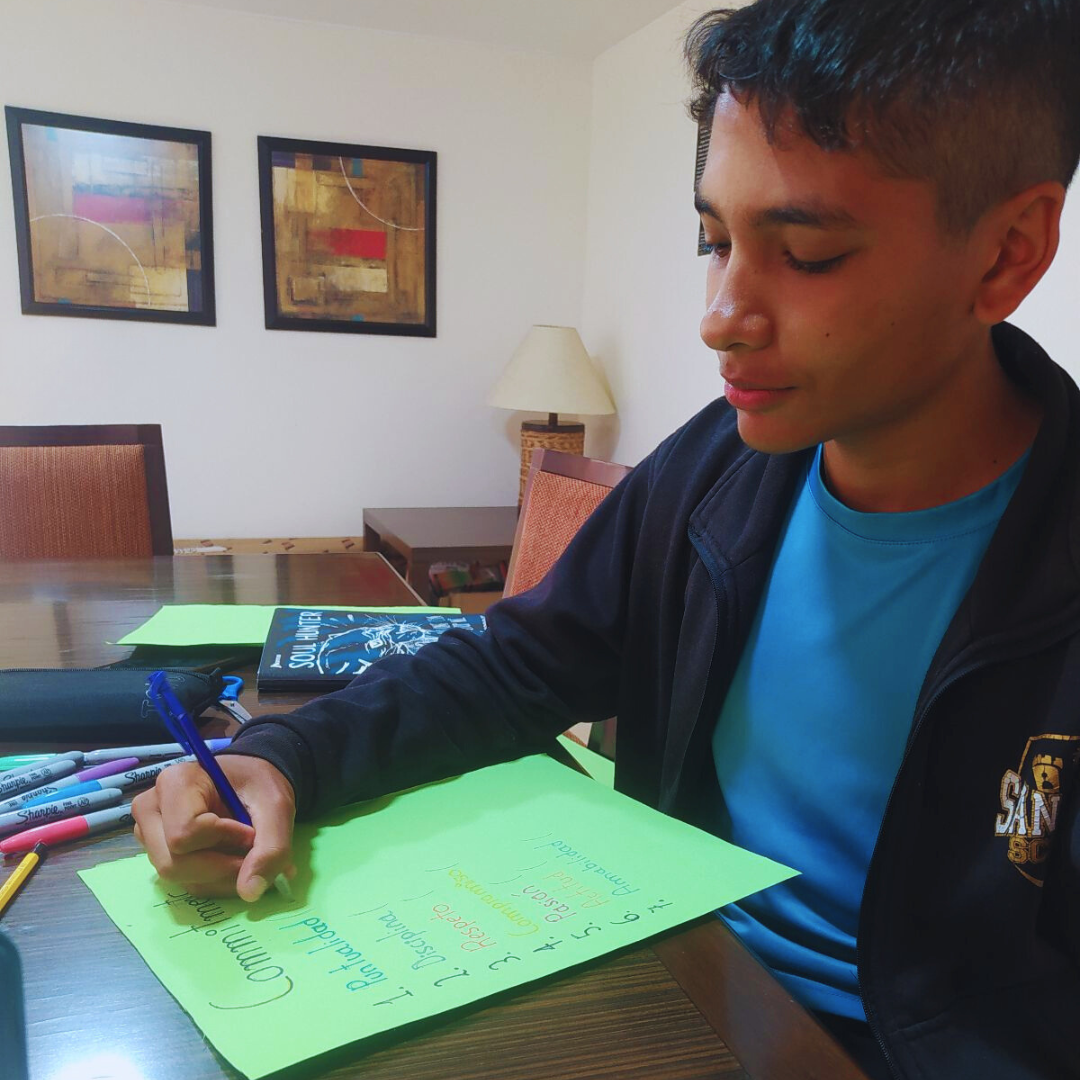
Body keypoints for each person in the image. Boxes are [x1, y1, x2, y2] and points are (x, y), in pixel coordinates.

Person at [132, 2, 1080, 1077]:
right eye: (714, 239)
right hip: (671, 982)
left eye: (806, 252)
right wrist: (283, 758)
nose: (721, 313)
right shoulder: (719, 470)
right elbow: (511, 670)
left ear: (1007, 254)